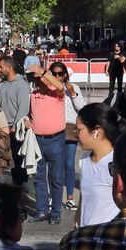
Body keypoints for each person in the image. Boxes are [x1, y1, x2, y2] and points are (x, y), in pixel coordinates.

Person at [25, 58, 71, 224]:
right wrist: (27, 120)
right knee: (38, 178)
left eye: (40, 77)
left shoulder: (56, 92)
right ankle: (42, 210)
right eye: (35, 78)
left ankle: (56, 211)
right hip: (37, 140)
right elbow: (31, 114)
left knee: (56, 178)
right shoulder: (34, 95)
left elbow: (60, 86)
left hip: (55, 139)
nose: (37, 80)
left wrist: (43, 71)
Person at [75, 102, 123, 228]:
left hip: (108, 238)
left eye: (79, 129)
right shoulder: (85, 160)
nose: (76, 134)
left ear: (97, 131)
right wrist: (77, 220)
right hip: (85, 236)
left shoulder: (117, 163)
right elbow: (84, 197)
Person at [0, 53, 33, 189]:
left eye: (1, 67)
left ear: (9, 67)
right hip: (3, 129)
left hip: (16, 129)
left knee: (19, 162)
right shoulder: (1, 86)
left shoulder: (21, 84)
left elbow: (23, 108)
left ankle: (21, 192)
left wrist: (15, 128)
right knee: (10, 162)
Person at [54, 63, 87, 210]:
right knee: (55, 166)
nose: (57, 77)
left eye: (60, 74)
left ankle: (70, 198)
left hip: (69, 129)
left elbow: (83, 108)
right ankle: (55, 197)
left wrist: (73, 93)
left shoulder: (73, 87)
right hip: (53, 129)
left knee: (68, 164)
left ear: (65, 74)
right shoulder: (48, 89)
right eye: (54, 74)